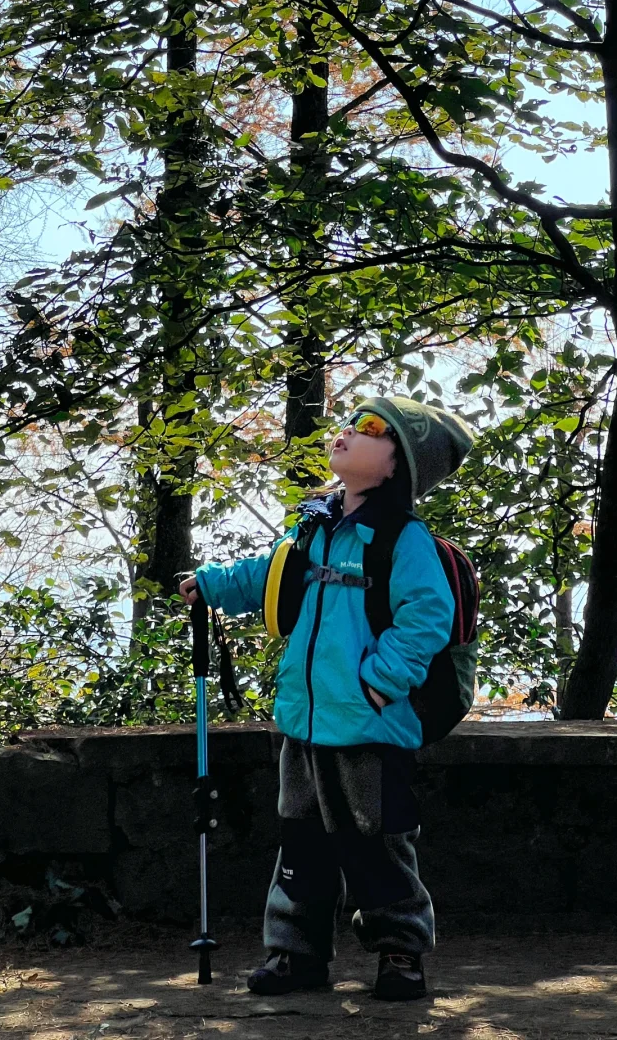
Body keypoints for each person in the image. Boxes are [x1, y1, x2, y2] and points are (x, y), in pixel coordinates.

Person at [179, 396, 474, 1003]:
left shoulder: (404, 538)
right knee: (302, 842)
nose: (347, 432)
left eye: (370, 428)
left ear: (397, 464)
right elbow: (269, 575)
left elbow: (427, 617)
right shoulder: (316, 526)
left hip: (370, 724)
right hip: (306, 721)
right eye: (350, 422)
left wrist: (380, 682)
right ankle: (296, 954)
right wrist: (211, 585)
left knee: (378, 842)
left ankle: (400, 952)